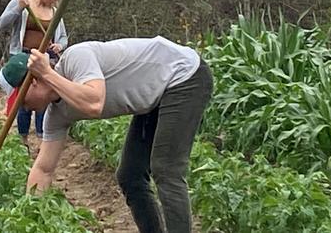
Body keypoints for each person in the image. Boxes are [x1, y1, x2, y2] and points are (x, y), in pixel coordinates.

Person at [21, 36, 213, 233]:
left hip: (184, 75)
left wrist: (47, 73)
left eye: (21, 99)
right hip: (156, 95)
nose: (22, 107)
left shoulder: (76, 57)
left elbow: (94, 102)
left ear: (35, 82)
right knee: (130, 175)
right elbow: (43, 169)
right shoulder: (55, 116)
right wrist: (30, 219)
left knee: (166, 168)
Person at [0, 0, 67, 144]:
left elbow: (63, 37)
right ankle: (23, 139)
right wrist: (19, 7)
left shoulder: (55, 12)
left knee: (43, 97)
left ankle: (43, 139)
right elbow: (2, 23)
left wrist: (60, 45)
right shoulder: (23, 3)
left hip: (44, 59)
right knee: (25, 98)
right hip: (24, 58)